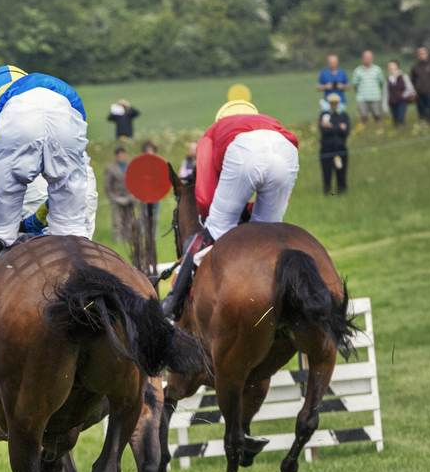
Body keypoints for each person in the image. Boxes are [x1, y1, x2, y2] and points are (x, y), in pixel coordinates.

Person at [0, 65, 97, 312]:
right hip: (68, 108)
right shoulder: (53, 87)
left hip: (16, 122)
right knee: (71, 229)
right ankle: (93, 302)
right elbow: (70, 182)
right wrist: (35, 223)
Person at [161, 98, 299, 320]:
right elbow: (283, 199)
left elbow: (204, 200)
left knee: (214, 227)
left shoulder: (212, 133)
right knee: (266, 234)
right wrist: (248, 212)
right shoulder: (269, 122)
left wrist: (219, 221)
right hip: (287, 149)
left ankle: (172, 302)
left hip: (244, 151)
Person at [104, 146, 139, 247]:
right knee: (118, 222)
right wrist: (114, 198)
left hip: (130, 198)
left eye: (123, 154)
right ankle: (118, 242)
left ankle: (129, 241)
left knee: (130, 221)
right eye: (119, 155)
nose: (121, 156)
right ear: (115, 156)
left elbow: (136, 183)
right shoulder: (110, 168)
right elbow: (107, 186)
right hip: (117, 199)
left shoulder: (130, 166)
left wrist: (134, 196)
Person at [318, 93, 350, 196]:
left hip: (340, 147)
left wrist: (330, 126)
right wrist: (339, 127)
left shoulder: (343, 115)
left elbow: (346, 131)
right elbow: (323, 130)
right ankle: (327, 192)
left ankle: (342, 192)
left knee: (341, 171)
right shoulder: (324, 115)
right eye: (332, 103)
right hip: (326, 148)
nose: (334, 105)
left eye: (335, 103)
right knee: (326, 172)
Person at [352, 50, 384, 124]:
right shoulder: (357, 71)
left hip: (375, 97)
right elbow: (355, 85)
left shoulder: (377, 69)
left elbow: (381, 83)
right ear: (362, 58)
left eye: (369, 58)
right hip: (362, 98)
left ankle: (379, 130)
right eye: (366, 58)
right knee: (363, 117)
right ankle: (363, 130)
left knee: (377, 116)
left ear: (372, 59)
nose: (367, 60)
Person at [411, 46, 430, 122]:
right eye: (419, 53)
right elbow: (412, 80)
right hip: (419, 93)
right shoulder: (415, 67)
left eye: (423, 53)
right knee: (421, 112)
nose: (421, 55)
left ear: (427, 53)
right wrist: (414, 89)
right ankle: (424, 124)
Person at [385, 60, 414, 125]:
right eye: (389, 66)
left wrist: (403, 96)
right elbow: (386, 93)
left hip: (401, 102)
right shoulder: (388, 79)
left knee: (400, 119)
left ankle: (402, 128)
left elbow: (410, 88)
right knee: (395, 120)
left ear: (397, 66)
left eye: (392, 65)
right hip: (392, 102)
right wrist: (385, 106)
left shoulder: (403, 76)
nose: (390, 67)